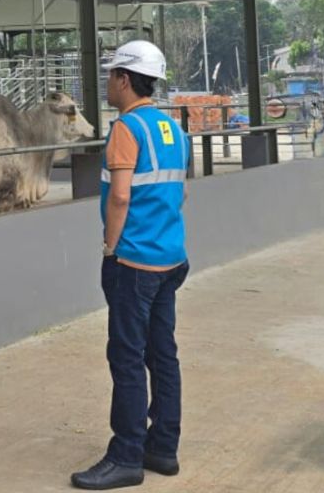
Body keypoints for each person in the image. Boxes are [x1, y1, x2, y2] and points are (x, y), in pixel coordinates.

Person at [72, 40, 191, 490]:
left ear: (124, 79)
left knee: (125, 357)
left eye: (111, 75)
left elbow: (120, 196)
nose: (107, 83)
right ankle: (162, 448)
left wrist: (110, 246)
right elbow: (180, 193)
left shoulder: (126, 129)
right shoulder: (173, 131)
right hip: (170, 259)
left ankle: (125, 456)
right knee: (163, 354)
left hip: (134, 262)